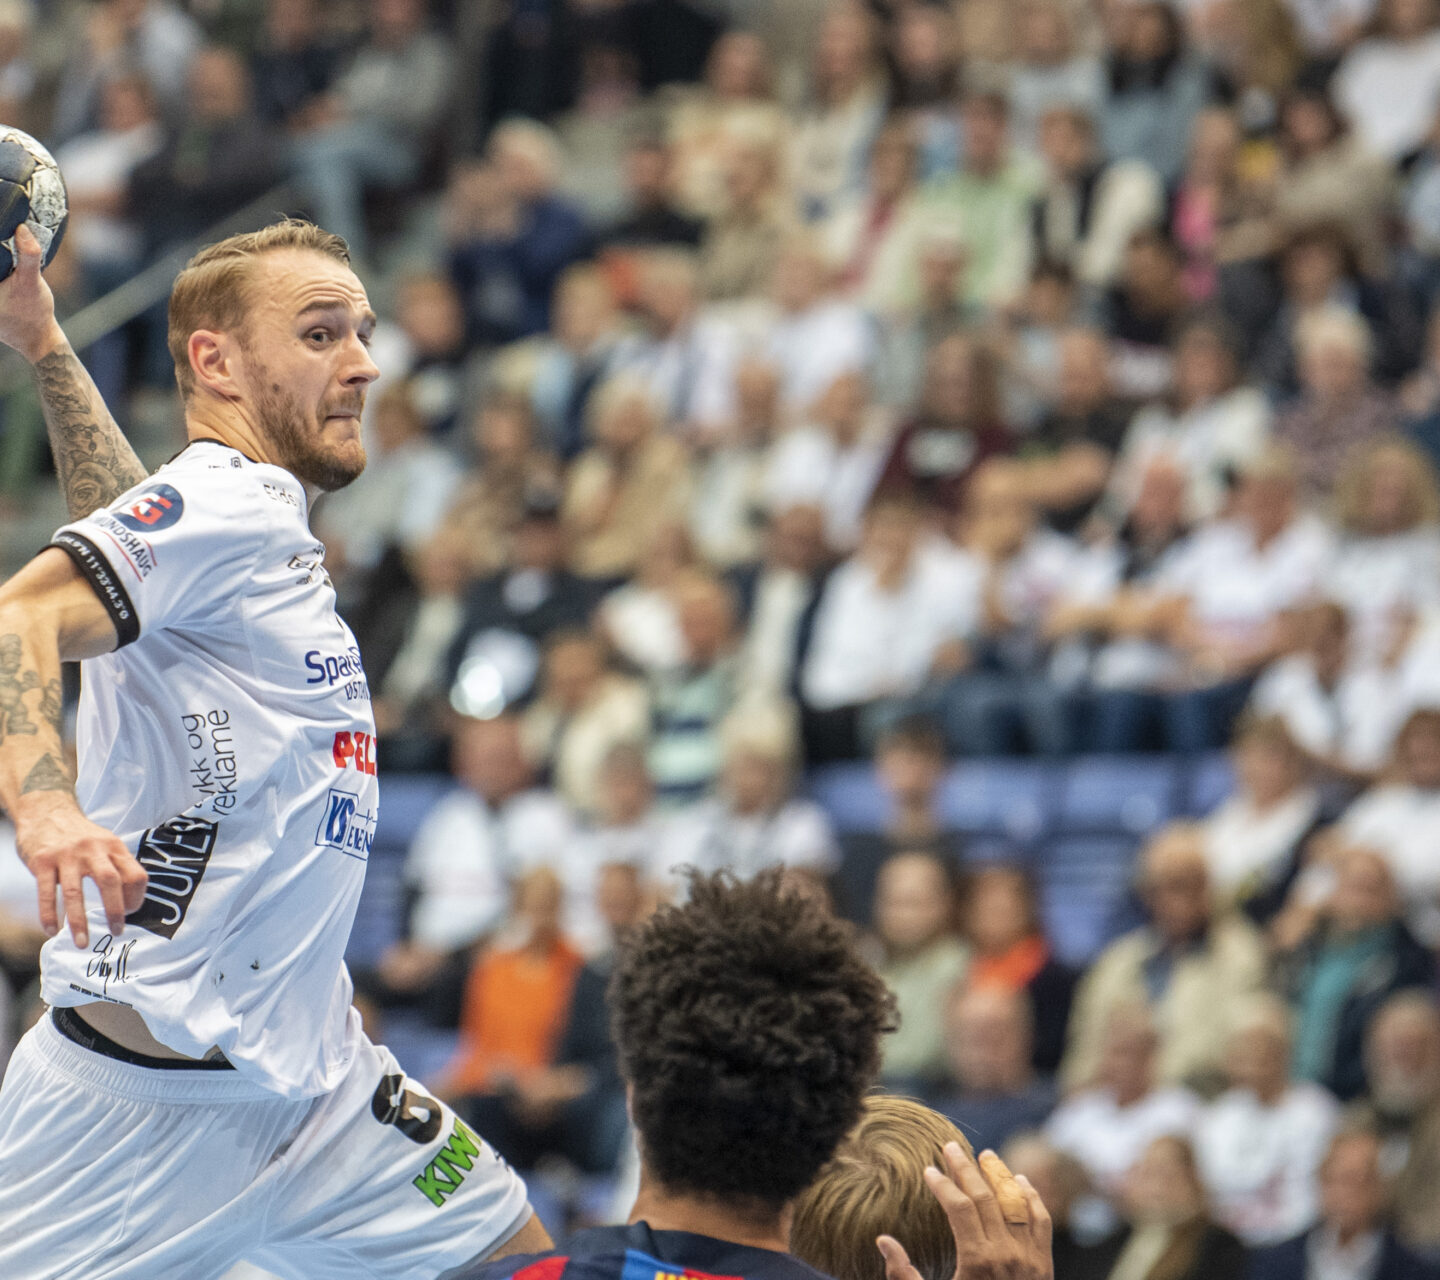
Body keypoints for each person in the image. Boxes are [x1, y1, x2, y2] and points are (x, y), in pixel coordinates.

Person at [0, 220, 548, 1274]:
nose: (366, 363)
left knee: (520, 1257)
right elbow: (18, 616)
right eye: (321, 334)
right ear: (217, 363)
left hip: (322, 1091)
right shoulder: (231, 503)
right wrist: (47, 806)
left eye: (365, 332)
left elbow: (123, 526)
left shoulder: (231, 523)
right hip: (130, 1121)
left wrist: (47, 347)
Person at [1249, 1128, 1440, 1280]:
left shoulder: (1415, 1271)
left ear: (1380, 1188)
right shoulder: (1274, 1262)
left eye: (1353, 1181)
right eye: (1330, 1180)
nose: (1340, 1194)